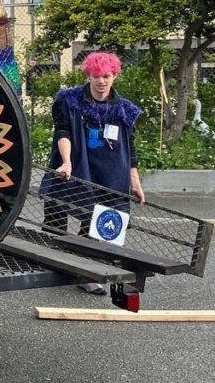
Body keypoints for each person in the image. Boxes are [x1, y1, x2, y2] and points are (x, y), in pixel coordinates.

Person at [40, 52, 144, 294]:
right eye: (96, 76)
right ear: (88, 75)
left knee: (97, 223)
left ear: (115, 76)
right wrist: (66, 162)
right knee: (56, 213)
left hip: (109, 172)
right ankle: (55, 261)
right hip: (77, 165)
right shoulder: (69, 101)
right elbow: (63, 132)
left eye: (106, 76)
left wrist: (135, 182)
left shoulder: (124, 109)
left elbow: (130, 148)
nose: (101, 81)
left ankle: (86, 271)